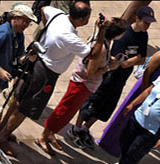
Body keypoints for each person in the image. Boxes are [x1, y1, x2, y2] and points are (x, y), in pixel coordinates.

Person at [0, 1, 102, 157]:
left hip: (35, 62)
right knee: (26, 108)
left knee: (18, 100)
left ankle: (1, 130)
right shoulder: (70, 37)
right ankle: (1, 137)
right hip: (45, 74)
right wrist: (101, 32)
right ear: (83, 19)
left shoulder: (57, 15)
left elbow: (43, 9)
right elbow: (92, 54)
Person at [37, 17, 128, 155]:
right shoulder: (102, 48)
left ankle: (51, 132)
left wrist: (111, 60)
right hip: (82, 84)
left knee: (67, 112)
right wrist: (110, 67)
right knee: (64, 110)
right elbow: (91, 73)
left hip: (84, 85)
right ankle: (43, 136)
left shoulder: (102, 40)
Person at [68, 5, 154, 150]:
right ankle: (76, 128)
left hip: (121, 79)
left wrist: (131, 61)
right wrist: (128, 61)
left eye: (150, 23)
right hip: (109, 75)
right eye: (145, 22)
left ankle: (85, 129)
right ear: (137, 18)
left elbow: (142, 58)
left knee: (107, 106)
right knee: (93, 101)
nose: (148, 25)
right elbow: (116, 57)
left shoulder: (143, 36)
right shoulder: (125, 33)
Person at [98, 30, 160, 157]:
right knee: (125, 116)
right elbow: (148, 72)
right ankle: (107, 142)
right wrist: (144, 91)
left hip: (154, 97)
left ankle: (121, 148)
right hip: (143, 90)